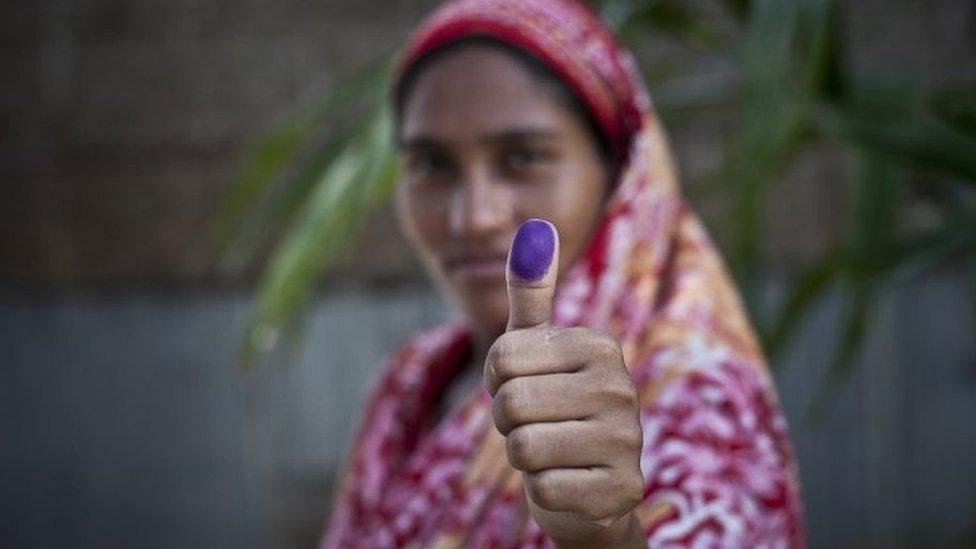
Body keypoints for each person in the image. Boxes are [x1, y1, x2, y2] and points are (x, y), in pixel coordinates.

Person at [322, 0, 805, 546]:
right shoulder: (408, 385)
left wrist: (608, 537)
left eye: (524, 157)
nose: (473, 216)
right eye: (432, 165)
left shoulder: (700, 405)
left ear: (621, 175)